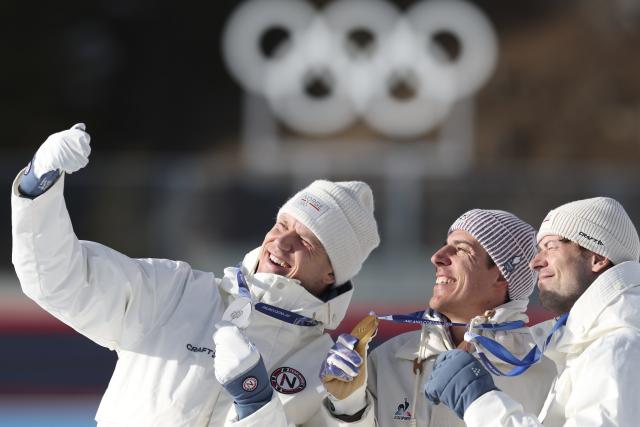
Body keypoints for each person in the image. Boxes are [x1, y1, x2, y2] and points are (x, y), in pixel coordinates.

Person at [11, 124, 380, 426]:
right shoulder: (175, 292)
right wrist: (38, 185)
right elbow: (62, 281)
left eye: (305, 240)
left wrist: (260, 399)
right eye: (282, 224)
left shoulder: (325, 372)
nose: (280, 242)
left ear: (332, 270)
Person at [318, 209, 556, 426]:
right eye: (445, 245)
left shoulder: (546, 370)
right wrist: (348, 407)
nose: (437, 256)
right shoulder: (388, 359)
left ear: (502, 277)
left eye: (461, 249)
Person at [424, 197, 640, 426]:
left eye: (551, 247)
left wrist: (479, 401)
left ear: (597, 257)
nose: (535, 262)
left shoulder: (619, 346)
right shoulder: (593, 345)